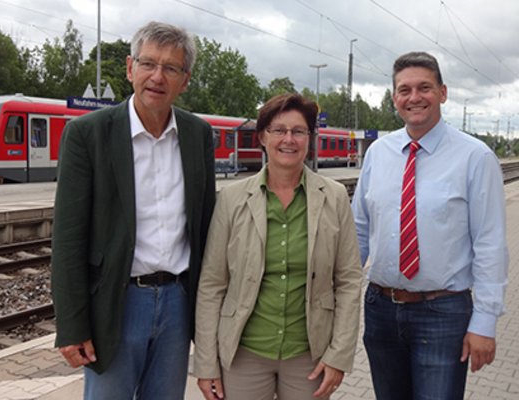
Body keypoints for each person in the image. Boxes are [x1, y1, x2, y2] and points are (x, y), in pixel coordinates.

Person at [51, 21, 216, 400]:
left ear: (185, 80)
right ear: (130, 69)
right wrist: (72, 326)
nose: (157, 76)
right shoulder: (88, 135)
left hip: (177, 303)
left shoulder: (196, 135)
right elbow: (69, 238)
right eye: (148, 64)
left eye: (171, 68)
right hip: (116, 303)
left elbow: (205, 226)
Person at [352, 51, 509, 400]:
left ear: (443, 92)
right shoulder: (378, 153)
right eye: (404, 90)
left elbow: (490, 244)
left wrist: (484, 322)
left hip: (443, 313)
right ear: (394, 98)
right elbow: (359, 231)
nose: (414, 97)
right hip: (380, 308)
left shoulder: (475, 157)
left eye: (424, 87)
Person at [193, 93, 363, 400]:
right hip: (244, 353)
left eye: (299, 131)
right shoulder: (232, 199)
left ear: (309, 139)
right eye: (278, 130)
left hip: (309, 354)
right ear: (262, 137)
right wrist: (206, 364)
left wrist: (339, 355)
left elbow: (350, 281)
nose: (289, 139)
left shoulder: (335, 197)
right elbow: (212, 284)